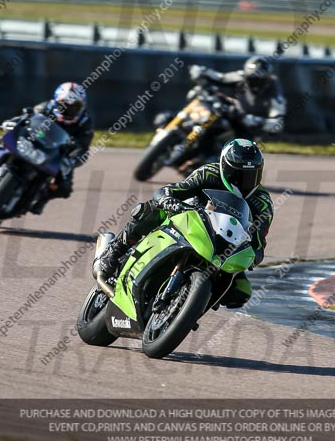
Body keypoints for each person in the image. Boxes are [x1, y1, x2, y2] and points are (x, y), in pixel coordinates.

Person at [97, 138, 273, 308]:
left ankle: (192, 303)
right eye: (237, 174)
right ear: (224, 166)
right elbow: (173, 190)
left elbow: (258, 242)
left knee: (241, 291)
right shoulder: (209, 173)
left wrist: (253, 256)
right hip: (189, 219)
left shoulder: (263, 203)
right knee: (151, 210)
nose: (243, 181)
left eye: (251, 175)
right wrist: (168, 200)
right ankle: (114, 251)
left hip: (225, 244)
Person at [29, 82, 93, 212]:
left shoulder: (85, 121)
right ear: (56, 101)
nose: (69, 109)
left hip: (59, 154)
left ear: (82, 106)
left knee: (64, 189)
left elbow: (83, 146)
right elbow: (26, 122)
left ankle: (42, 198)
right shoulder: (44, 108)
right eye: (65, 105)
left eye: (74, 106)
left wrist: (71, 160)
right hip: (36, 144)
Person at [189, 55, 286, 138]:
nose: (254, 83)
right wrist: (202, 71)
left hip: (247, 130)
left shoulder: (274, 90)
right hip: (231, 115)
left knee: (243, 148)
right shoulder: (241, 77)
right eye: (252, 79)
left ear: (267, 79)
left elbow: (278, 124)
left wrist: (256, 121)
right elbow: (220, 77)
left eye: (259, 80)